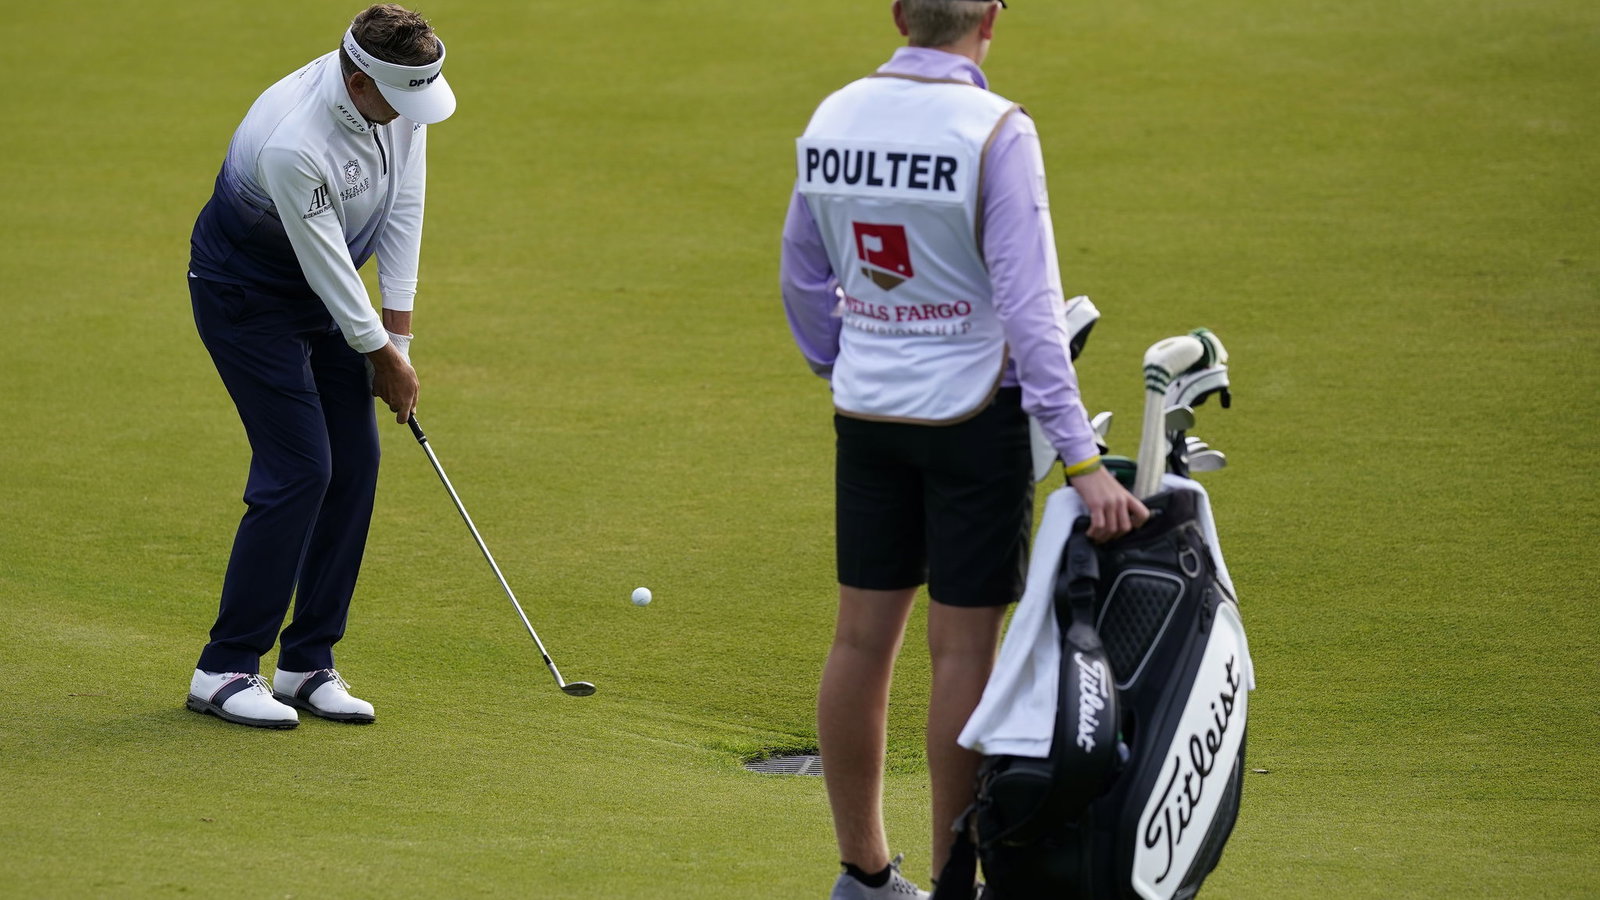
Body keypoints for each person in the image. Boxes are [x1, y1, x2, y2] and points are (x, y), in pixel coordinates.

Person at [778, 1, 1149, 895]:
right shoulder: (997, 131)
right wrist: (1082, 461)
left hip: (868, 414)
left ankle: (863, 875)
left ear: (901, 14)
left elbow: (801, 271)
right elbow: (1031, 310)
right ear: (990, 20)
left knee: (859, 641)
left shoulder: (833, 116)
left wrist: (852, 358)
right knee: (960, 654)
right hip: (973, 418)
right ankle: (955, 882)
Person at [183, 4, 456, 729]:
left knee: (356, 461)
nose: (410, 114)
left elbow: (404, 206)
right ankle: (225, 667)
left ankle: (307, 662)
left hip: (326, 293)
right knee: (300, 469)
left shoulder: (400, 100)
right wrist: (379, 356)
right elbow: (330, 269)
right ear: (359, 80)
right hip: (247, 296)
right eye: (400, 100)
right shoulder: (291, 142)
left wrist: (399, 337)